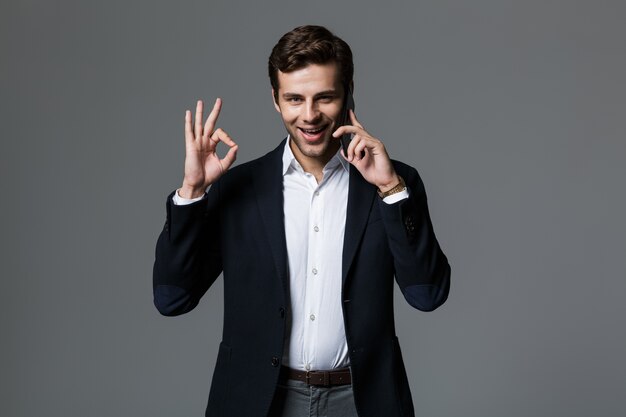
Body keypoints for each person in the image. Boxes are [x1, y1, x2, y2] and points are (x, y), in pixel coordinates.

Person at [153, 25, 451, 417]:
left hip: (362, 401)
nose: (309, 116)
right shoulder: (238, 188)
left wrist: (391, 189)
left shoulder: (394, 183)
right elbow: (172, 299)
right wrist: (192, 192)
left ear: (347, 95)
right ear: (276, 100)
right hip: (259, 401)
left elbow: (427, 295)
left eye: (324, 98)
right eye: (294, 99)